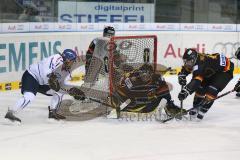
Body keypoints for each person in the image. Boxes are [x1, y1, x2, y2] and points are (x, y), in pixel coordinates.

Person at [4, 49, 78, 123]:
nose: (73, 63)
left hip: (43, 83)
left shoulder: (67, 71)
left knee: (60, 92)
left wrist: (71, 91)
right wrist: (54, 80)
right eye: (72, 61)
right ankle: (10, 113)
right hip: (32, 76)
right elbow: (45, 72)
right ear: (67, 59)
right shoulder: (56, 58)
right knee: (29, 96)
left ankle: (53, 113)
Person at [110, 62, 185, 117]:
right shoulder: (131, 79)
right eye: (142, 74)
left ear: (151, 74)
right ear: (139, 74)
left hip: (146, 106)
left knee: (163, 87)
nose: (145, 76)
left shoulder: (155, 79)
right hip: (129, 104)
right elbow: (123, 90)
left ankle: (170, 108)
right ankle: (118, 107)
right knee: (120, 95)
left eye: (147, 74)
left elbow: (163, 87)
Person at [178, 48, 234, 121]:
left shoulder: (201, 65)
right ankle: (196, 107)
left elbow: (196, 81)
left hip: (225, 70)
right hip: (212, 69)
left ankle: (203, 110)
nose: (187, 64)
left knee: (212, 89)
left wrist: (186, 91)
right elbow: (189, 68)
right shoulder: (195, 60)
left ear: (193, 59)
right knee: (201, 88)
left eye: (188, 62)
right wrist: (183, 74)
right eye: (185, 61)